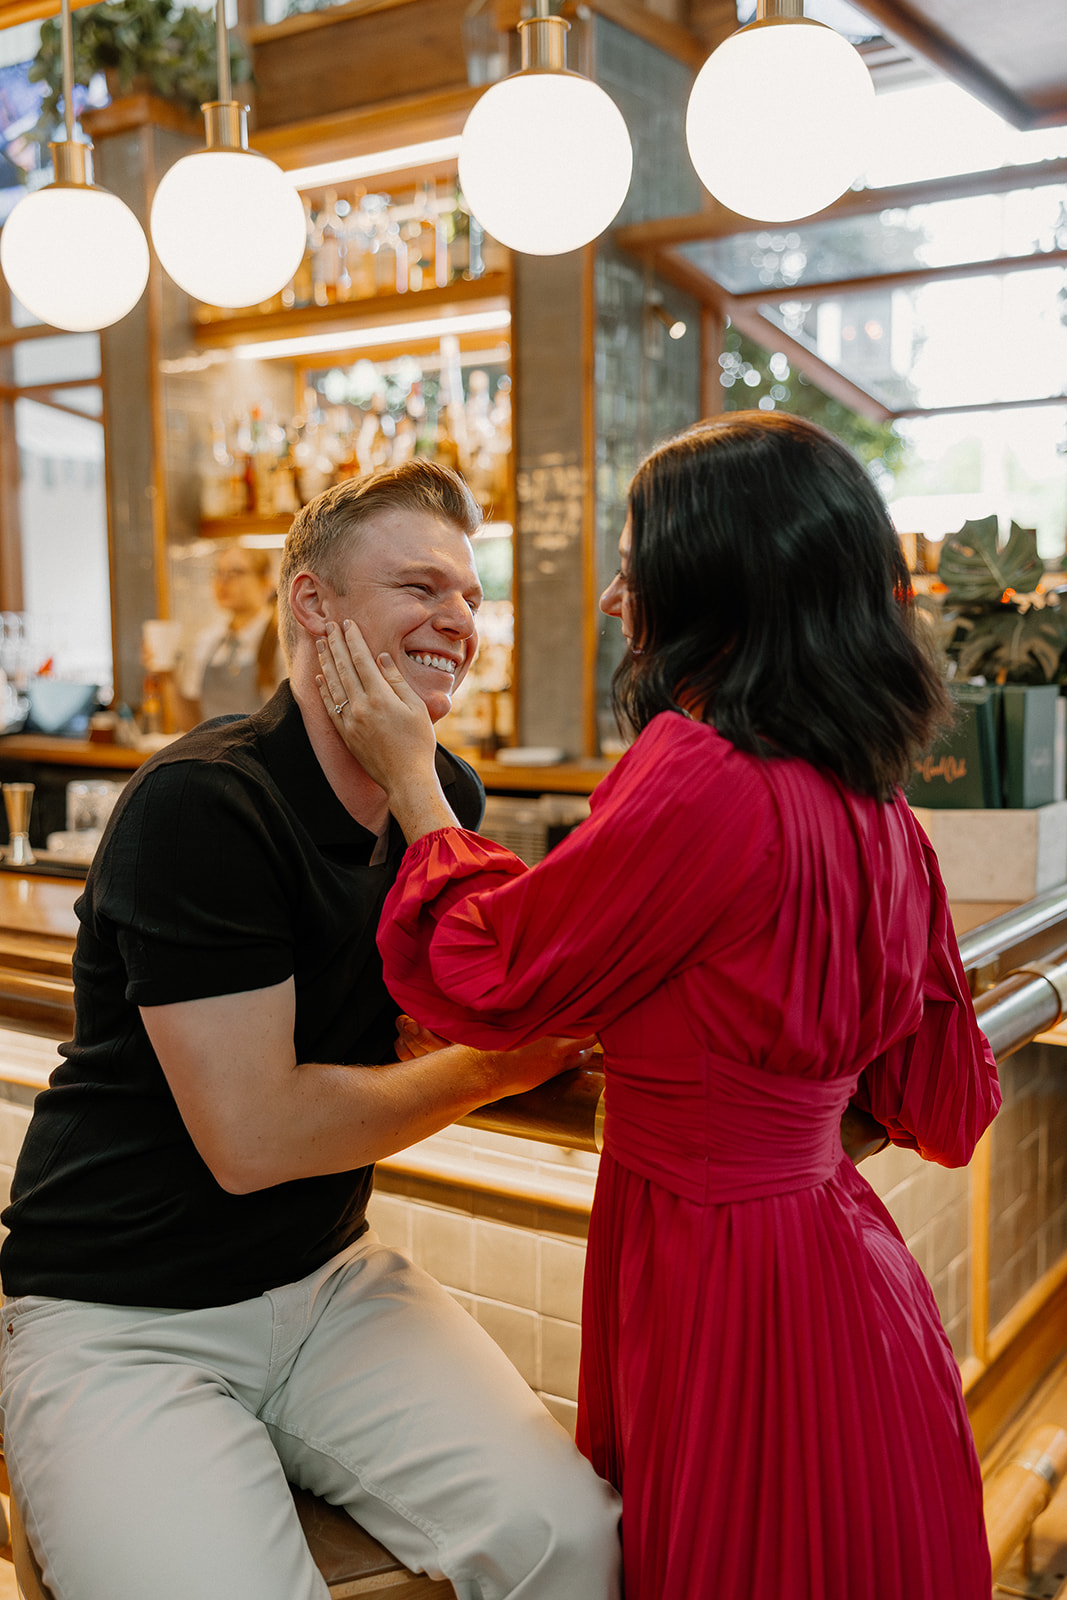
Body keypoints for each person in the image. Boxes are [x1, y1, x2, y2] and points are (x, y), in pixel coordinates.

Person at [314, 413, 1001, 1600]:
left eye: (637, 561)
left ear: (711, 584)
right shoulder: (880, 812)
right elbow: (941, 1098)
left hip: (720, 1279)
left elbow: (497, 971)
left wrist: (417, 788)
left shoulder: (700, 775)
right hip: (848, 1278)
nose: (614, 596)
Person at [0, 460, 622, 1600]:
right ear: (312, 603)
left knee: (568, 1541)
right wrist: (492, 1064)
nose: (456, 618)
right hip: (119, 1314)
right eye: (418, 585)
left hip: (326, 1278)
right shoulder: (205, 803)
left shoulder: (447, 798)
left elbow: (457, 998)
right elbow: (256, 1137)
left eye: (471, 597)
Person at [161, 543, 286, 729]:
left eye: (236, 572)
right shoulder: (208, 640)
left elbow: (286, 722)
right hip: (212, 755)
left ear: (266, 583)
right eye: (219, 572)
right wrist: (166, 675)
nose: (223, 581)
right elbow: (192, 725)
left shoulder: (282, 642)